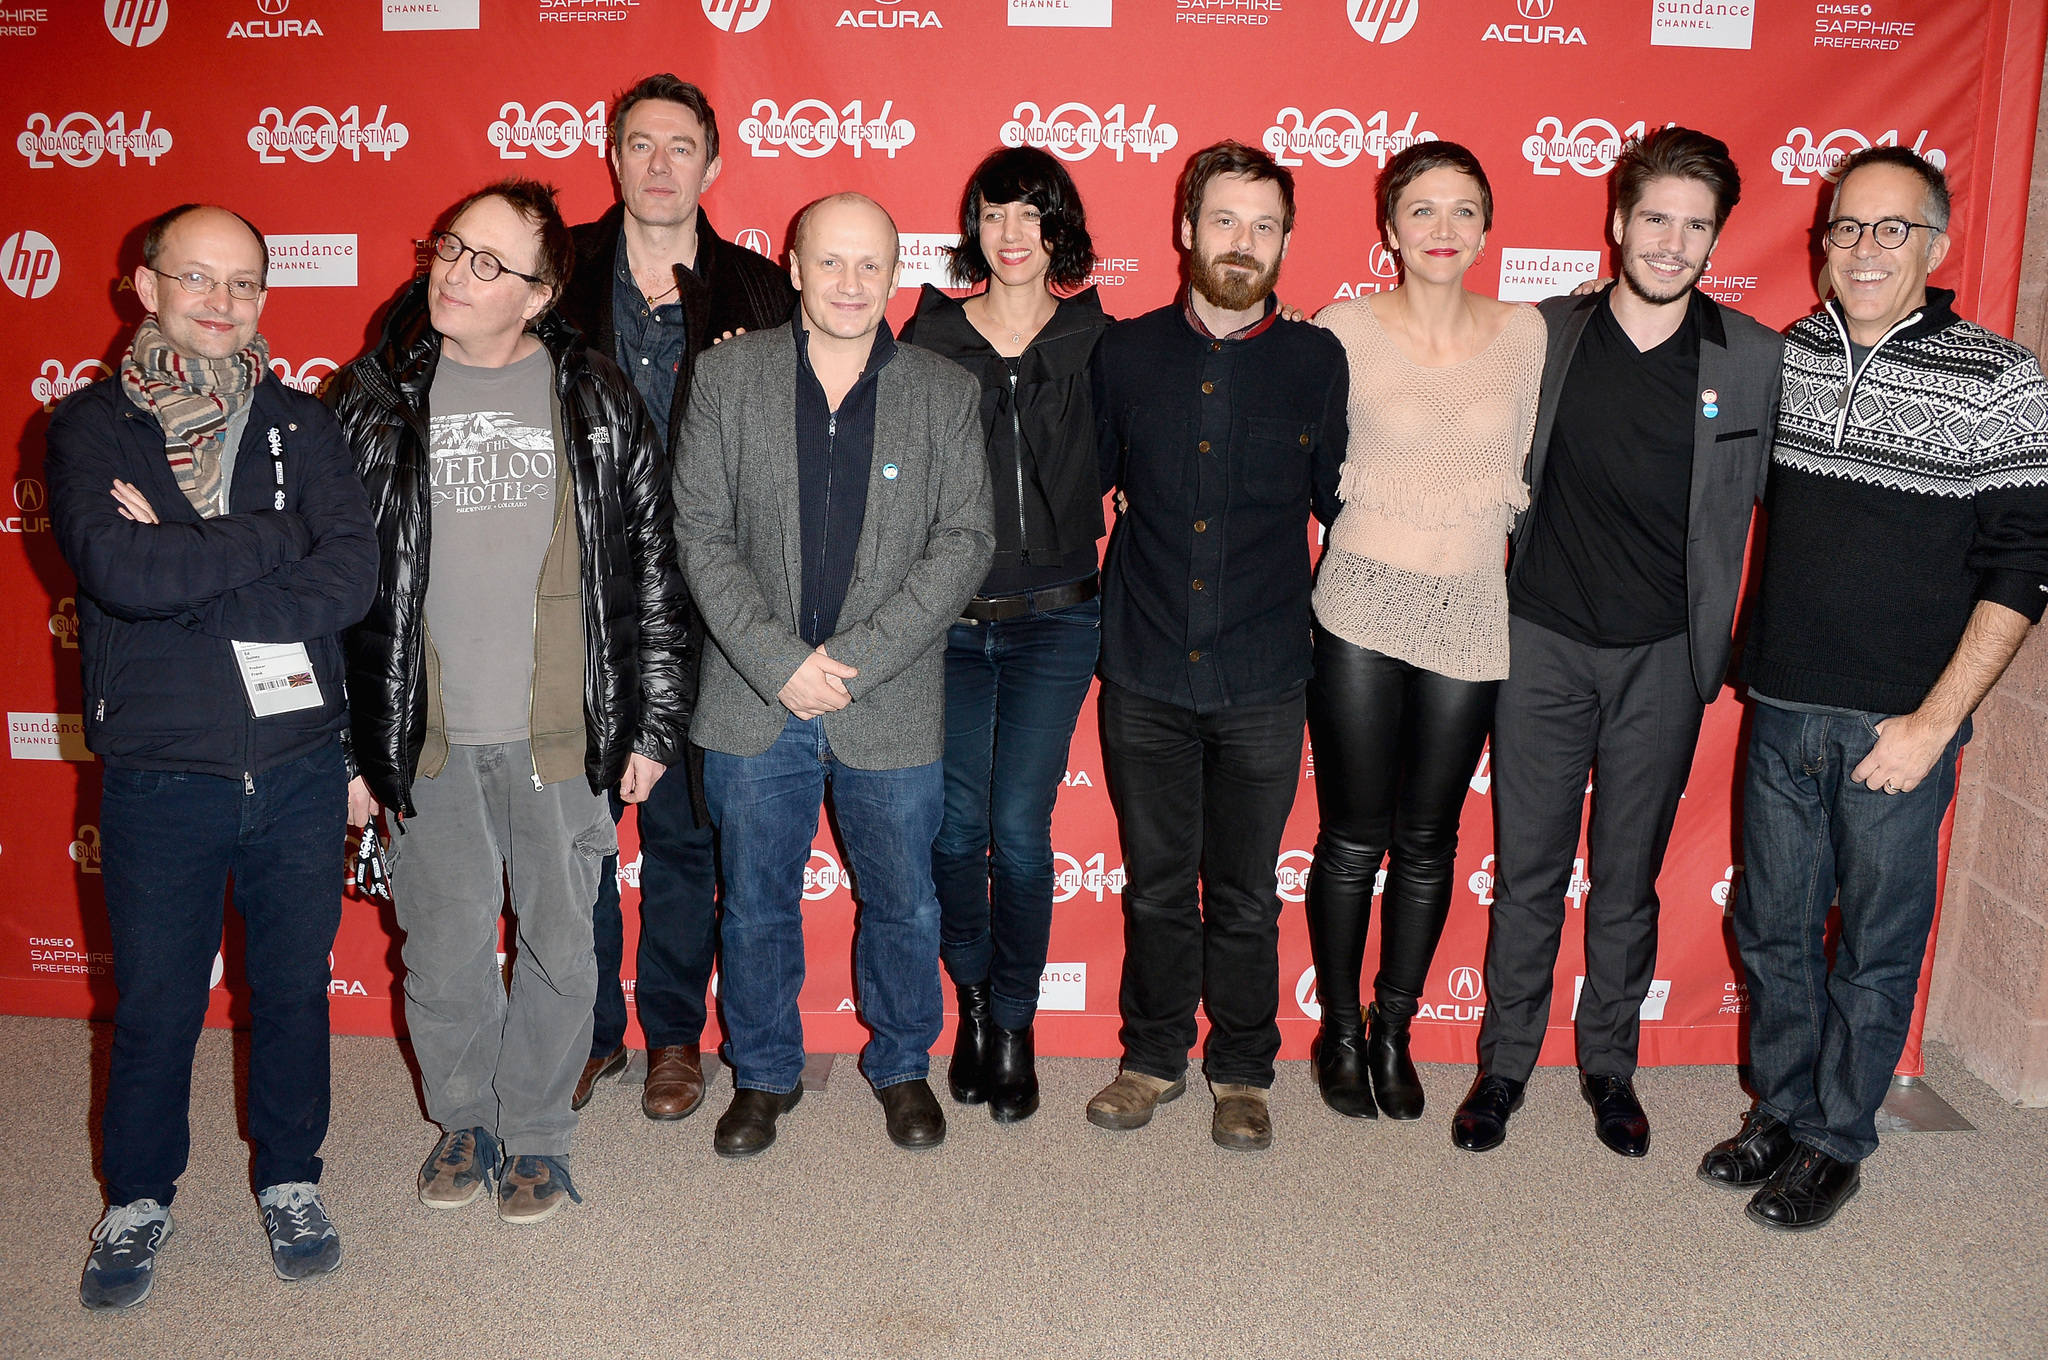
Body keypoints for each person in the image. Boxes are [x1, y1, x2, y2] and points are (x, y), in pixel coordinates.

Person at [329, 179, 690, 1224]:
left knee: (560, 944)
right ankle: (467, 1120)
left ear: (539, 293)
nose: (455, 272)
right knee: (439, 950)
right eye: (450, 247)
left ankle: (535, 1133)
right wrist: (349, 749)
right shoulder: (371, 395)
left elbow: (651, 574)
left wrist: (654, 724)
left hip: (558, 734)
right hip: (424, 735)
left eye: (489, 261)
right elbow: (327, 584)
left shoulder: (595, 397)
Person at [1701, 146, 2048, 1229]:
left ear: (1935, 246)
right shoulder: (1788, 354)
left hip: (1899, 725)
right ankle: (1783, 1106)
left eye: (1889, 229)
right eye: (1844, 227)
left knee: (1873, 945)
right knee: (1770, 926)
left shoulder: (2001, 378)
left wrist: (1935, 723)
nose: (1861, 249)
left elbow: (2022, 565)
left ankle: (1833, 1141)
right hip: (1782, 705)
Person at [47, 203, 377, 1307]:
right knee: (155, 1005)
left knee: (289, 994)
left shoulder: (305, 425)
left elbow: (351, 580)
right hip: (162, 772)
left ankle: (291, 1178)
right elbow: (122, 576)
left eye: (242, 284)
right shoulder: (88, 427)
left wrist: (189, 555)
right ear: (146, 287)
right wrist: (276, 537)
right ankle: (137, 1198)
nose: (220, 303)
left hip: (295, 766)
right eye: (197, 278)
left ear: (263, 302)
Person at [1455, 127, 1784, 1158]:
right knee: (1527, 873)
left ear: (1713, 239)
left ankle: (1607, 1064)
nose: (1671, 243)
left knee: (1626, 874)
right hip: (1541, 641)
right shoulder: (1541, 334)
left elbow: (1797, 513)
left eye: (1694, 227)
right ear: (1616, 221)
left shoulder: (1754, 357)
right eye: (1655, 219)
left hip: (1662, 659)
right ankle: (1503, 1064)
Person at [673, 193, 993, 1157]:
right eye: (832, 262)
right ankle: (764, 1074)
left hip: (886, 700)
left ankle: (902, 1067)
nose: (851, 284)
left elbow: (964, 541)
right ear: (796, 266)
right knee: (758, 901)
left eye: (872, 265)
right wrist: (782, 664)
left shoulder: (944, 390)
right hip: (751, 696)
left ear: (895, 275)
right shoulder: (726, 378)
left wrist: (848, 667)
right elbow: (701, 532)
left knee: (904, 901)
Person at [1086, 141, 1348, 1152]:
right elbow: (1092, 488)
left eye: (1264, 226)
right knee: (1155, 883)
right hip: (1144, 666)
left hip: (1264, 674)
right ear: (1185, 230)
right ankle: (1150, 1057)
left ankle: (1241, 1070)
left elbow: (1340, 504)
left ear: (1285, 241)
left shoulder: (1316, 361)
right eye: (1225, 221)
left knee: (1242, 889)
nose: (1242, 243)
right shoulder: (1124, 352)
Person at [556, 73, 796, 1122]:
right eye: (640, 144)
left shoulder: (755, 292)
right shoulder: (548, 272)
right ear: (611, 156)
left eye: (681, 147)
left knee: (691, 840)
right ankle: (581, 1033)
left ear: (712, 163)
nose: (660, 166)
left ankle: (671, 1040)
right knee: (576, 834)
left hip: (710, 609)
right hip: (571, 600)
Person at [1303, 142, 1542, 1123]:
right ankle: (1339, 1033)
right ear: (1388, 225)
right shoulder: (1340, 329)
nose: (1441, 228)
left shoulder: (1526, 333)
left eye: (1461, 210)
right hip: (1360, 601)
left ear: (1486, 227)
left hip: (1468, 610)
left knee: (1429, 840)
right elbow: (1315, 467)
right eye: (1420, 210)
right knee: (1353, 837)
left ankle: (1393, 1025)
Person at [897, 146, 1108, 1124]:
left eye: (1029, 214)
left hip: (1057, 622)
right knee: (952, 828)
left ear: (1057, 227)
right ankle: (973, 997)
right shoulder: (930, 335)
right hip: (945, 625)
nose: (1010, 233)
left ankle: (1015, 1022)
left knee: (1021, 830)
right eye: (991, 214)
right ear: (971, 228)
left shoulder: (1100, 339)